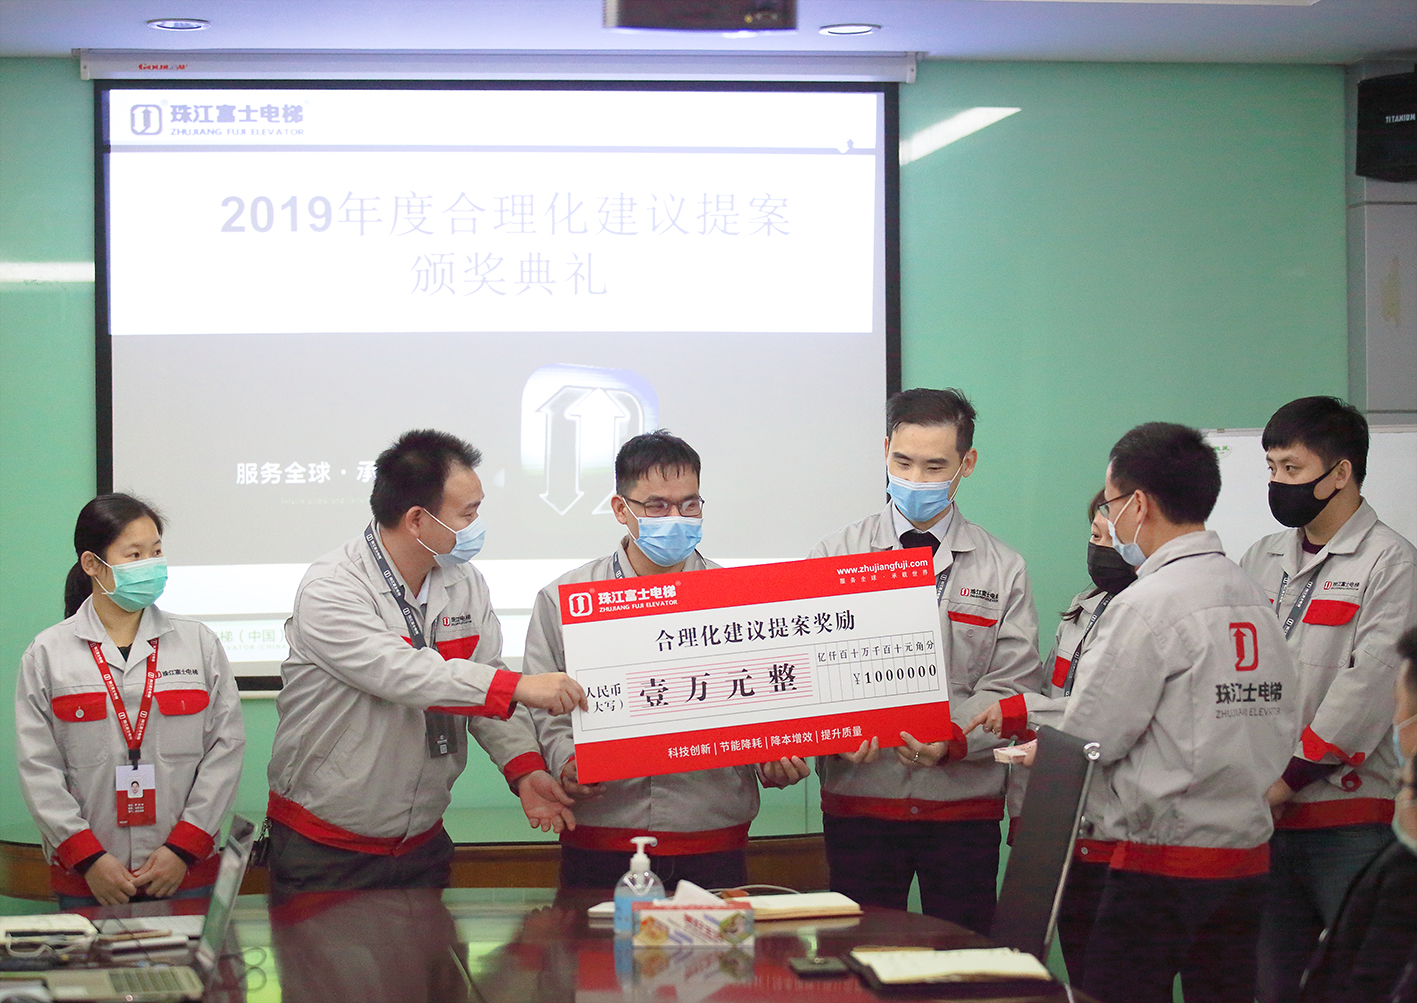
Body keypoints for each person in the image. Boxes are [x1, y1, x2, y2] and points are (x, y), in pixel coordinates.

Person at [264, 429, 586, 894]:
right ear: (417, 519)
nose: (477, 524)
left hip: (422, 841)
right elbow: (403, 673)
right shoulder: (333, 587)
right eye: (468, 513)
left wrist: (526, 769)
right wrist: (518, 687)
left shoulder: (465, 581)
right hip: (325, 847)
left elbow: (485, 678)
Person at [1061, 422, 1298, 1003]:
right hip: (1246, 859)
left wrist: (1046, 743)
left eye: (1111, 504)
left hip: (1161, 862)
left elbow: (1093, 737)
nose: (1109, 519)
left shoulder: (1147, 603)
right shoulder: (1253, 593)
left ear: (1138, 505)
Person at [522, 430, 809, 889]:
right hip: (602, 833)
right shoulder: (565, 599)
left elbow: (766, 707)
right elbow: (541, 707)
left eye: (689, 505)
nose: (675, 519)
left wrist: (775, 758)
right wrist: (565, 761)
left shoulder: (741, 602)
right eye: (656, 506)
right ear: (621, 509)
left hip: (712, 834)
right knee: (596, 941)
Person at [807, 388, 1042, 932]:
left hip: (962, 810)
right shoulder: (834, 555)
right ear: (885, 451)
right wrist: (836, 733)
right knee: (859, 954)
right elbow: (808, 672)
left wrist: (951, 738)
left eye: (935, 466)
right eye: (903, 462)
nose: (915, 479)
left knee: (962, 961)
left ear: (967, 463)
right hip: (860, 803)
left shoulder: (1002, 567)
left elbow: (1012, 683)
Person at [1238, 397, 1417, 1003]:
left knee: (1358, 984)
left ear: (1340, 473)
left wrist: (1289, 778)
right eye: (1271, 468)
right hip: (1265, 817)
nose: (1277, 482)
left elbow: (1370, 686)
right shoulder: (1261, 557)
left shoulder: (1391, 561)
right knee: (1272, 985)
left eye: (1292, 469)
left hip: (1348, 819)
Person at [16, 494, 245, 907]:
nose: (151, 565)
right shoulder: (47, 654)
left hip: (183, 872)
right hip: (89, 879)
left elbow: (225, 750)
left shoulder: (199, 644)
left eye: (156, 552)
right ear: (92, 564)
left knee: (192, 956)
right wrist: (90, 860)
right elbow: (39, 767)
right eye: (134, 555)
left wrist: (182, 850)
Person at [964, 487, 1134, 984]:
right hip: (1064, 828)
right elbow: (1042, 717)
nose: (1098, 549)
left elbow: (1110, 713)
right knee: (1074, 970)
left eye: (1109, 539)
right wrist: (1025, 814)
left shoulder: (1148, 617)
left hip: (1118, 829)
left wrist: (1022, 710)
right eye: (1093, 536)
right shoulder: (1083, 607)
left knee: (1116, 979)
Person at [1299, 624, 1417, 1003]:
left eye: (1400, 705)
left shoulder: (1403, 876)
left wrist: (1288, 778)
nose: (1396, 721)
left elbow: (1370, 980)